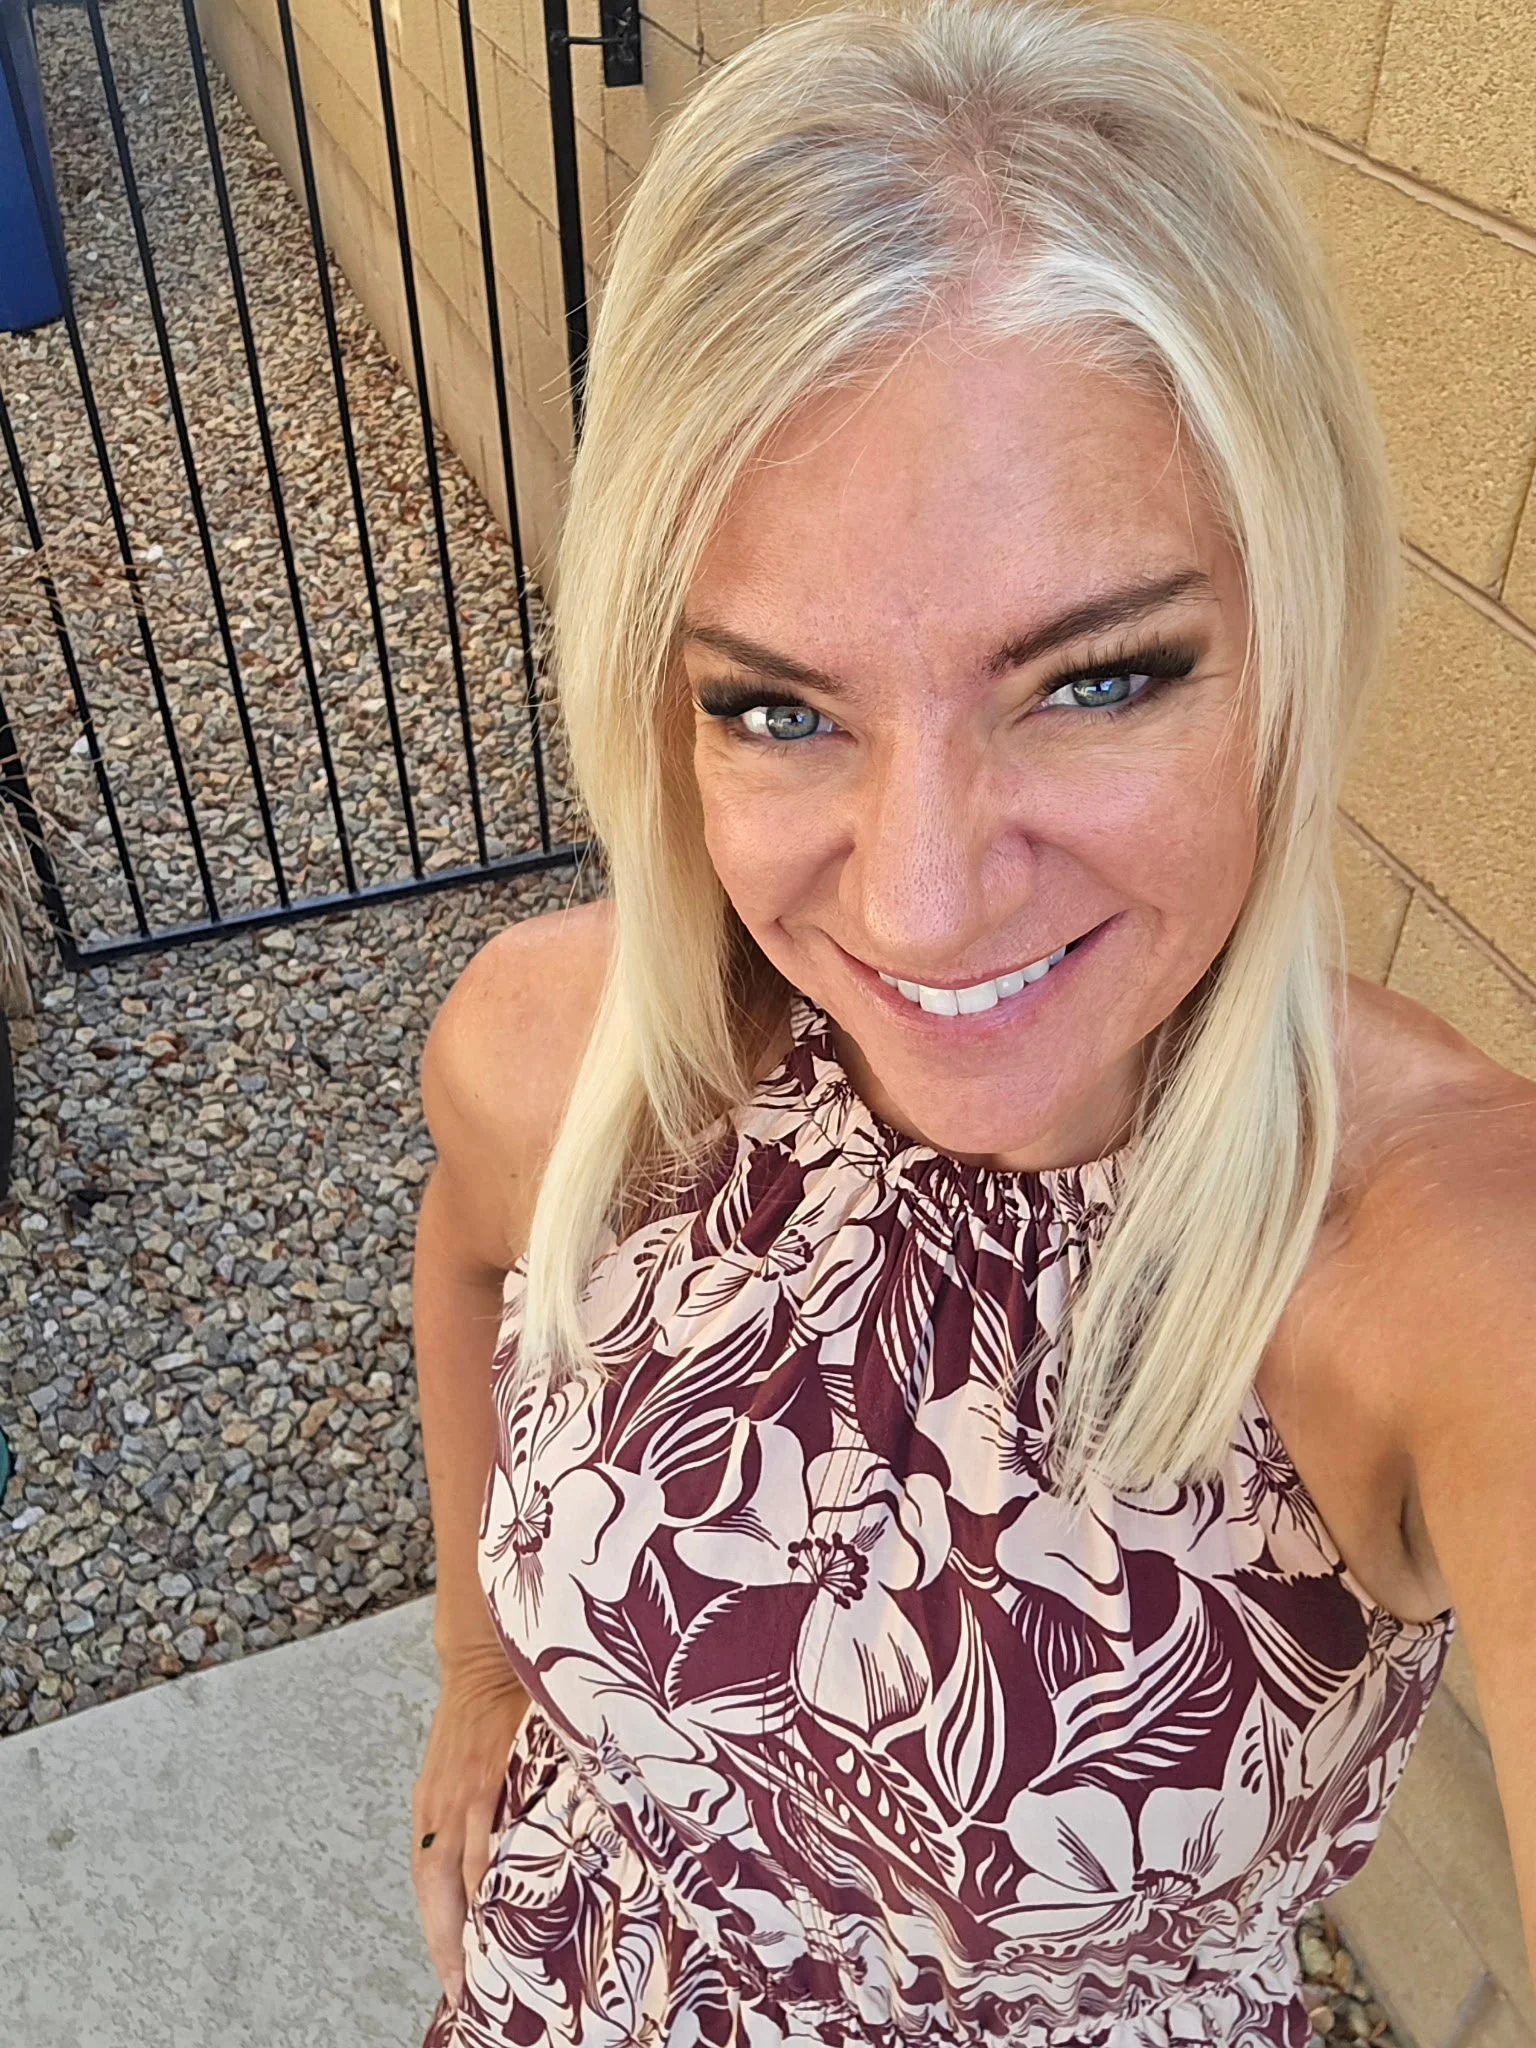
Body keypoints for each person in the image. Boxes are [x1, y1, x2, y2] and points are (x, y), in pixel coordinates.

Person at [408, 1, 1536, 2042]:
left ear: (1289, 632)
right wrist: (481, 1671)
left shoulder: (1432, 1265)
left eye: (1094, 677)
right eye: (779, 705)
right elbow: (467, 1249)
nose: (922, 898)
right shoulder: (580, 1057)